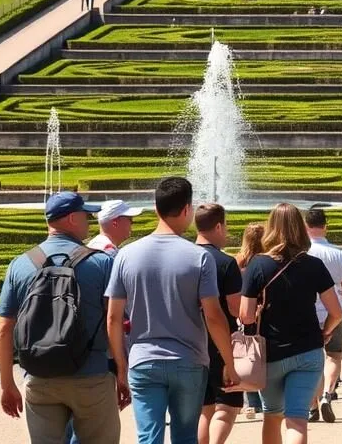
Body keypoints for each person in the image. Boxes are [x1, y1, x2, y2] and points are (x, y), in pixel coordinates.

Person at [105, 177, 238, 444]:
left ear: (156, 208)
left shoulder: (126, 255)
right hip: (189, 360)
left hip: (143, 360)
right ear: (187, 210)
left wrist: (121, 367)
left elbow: (113, 317)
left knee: (149, 437)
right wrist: (229, 363)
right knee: (185, 437)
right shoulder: (199, 257)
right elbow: (214, 317)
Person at [0, 191, 118, 444]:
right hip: (92, 376)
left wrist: (7, 385)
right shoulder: (102, 263)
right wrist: (123, 373)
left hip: (40, 378)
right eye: (86, 215)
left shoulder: (19, 264)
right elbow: (113, 321)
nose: (89, 221)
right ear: (72, 218)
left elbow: (5, 329)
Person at [239, 203, 342, 444]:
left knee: (273, 417)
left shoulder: (258, 264)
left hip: (271, 353)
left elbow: (245, 315)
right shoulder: (313, 264)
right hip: (308, 350)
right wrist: (325, 331)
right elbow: (336, 312)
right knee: (297, 419)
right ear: (300, 228)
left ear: (271, 227)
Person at [195, 203, 244, 444]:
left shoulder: (184, 256)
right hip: (221, 341)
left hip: (191, 338)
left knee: (205, 408)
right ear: (217, 226)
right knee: (226, 405)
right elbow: (235, 308)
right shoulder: (226, 262)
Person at [304, 207, 342, 423]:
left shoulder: (303, 253)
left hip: (308, 312)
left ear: (306, 227)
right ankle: (326, 396)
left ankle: (313, 404)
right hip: (334, 311)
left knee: (313, 359)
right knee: (334, 356)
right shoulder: (338, 253)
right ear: (326, 226)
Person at [234, 222, 266, 421]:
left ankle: (251, 401)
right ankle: (261, 401)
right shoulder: (266, 261)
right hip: (262, 313)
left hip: (243, 313)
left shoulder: (237, 262)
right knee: (263, 356)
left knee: (247, 355)